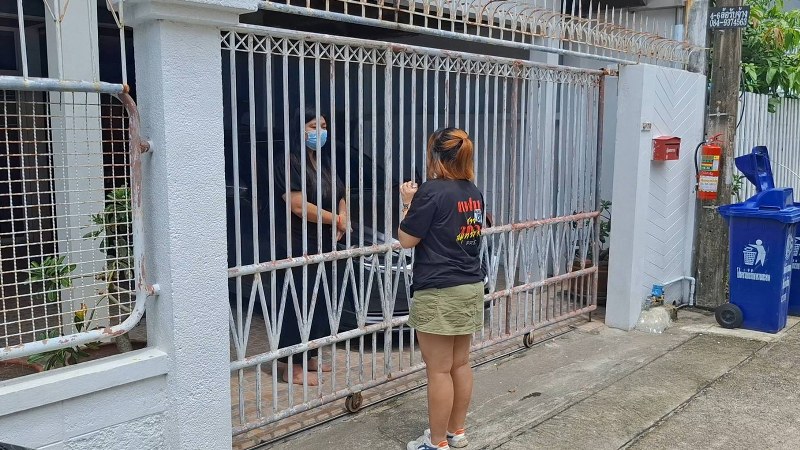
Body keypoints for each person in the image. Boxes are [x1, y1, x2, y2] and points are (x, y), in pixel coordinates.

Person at [399, 128, 485, 450]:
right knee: (460, 364)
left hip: (438, 289)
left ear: (435, 156)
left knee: (438, 371)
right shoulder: (472, 191)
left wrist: (407, 203)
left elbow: (407, 240)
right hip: (470, 285)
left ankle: (436, 444)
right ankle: (456, 432)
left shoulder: (432, 191)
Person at [272, 105, 349, 385]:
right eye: (314, 126)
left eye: (324, 127)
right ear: (300, 129)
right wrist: (336, 220)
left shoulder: (323, 162)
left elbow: (341, 193)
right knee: (297, 303)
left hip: (324, 244)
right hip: (297, 244)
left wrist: (343, 216)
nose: (320, 132)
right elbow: (298, 206)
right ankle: (291, 367)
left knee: (318, 302)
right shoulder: (289, 162)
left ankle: (310, 355)